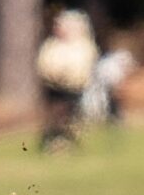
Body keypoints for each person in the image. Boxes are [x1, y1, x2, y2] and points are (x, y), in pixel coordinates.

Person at [36, 9, 99, 151]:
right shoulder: (52, 45)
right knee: (54, 117)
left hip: (74, 89)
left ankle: (67, 143)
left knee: (70, 117)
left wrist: (67, 74)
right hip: (54, 89)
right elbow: (44, 65)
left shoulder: (82, 46)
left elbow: (83, 67)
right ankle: (54, 143)